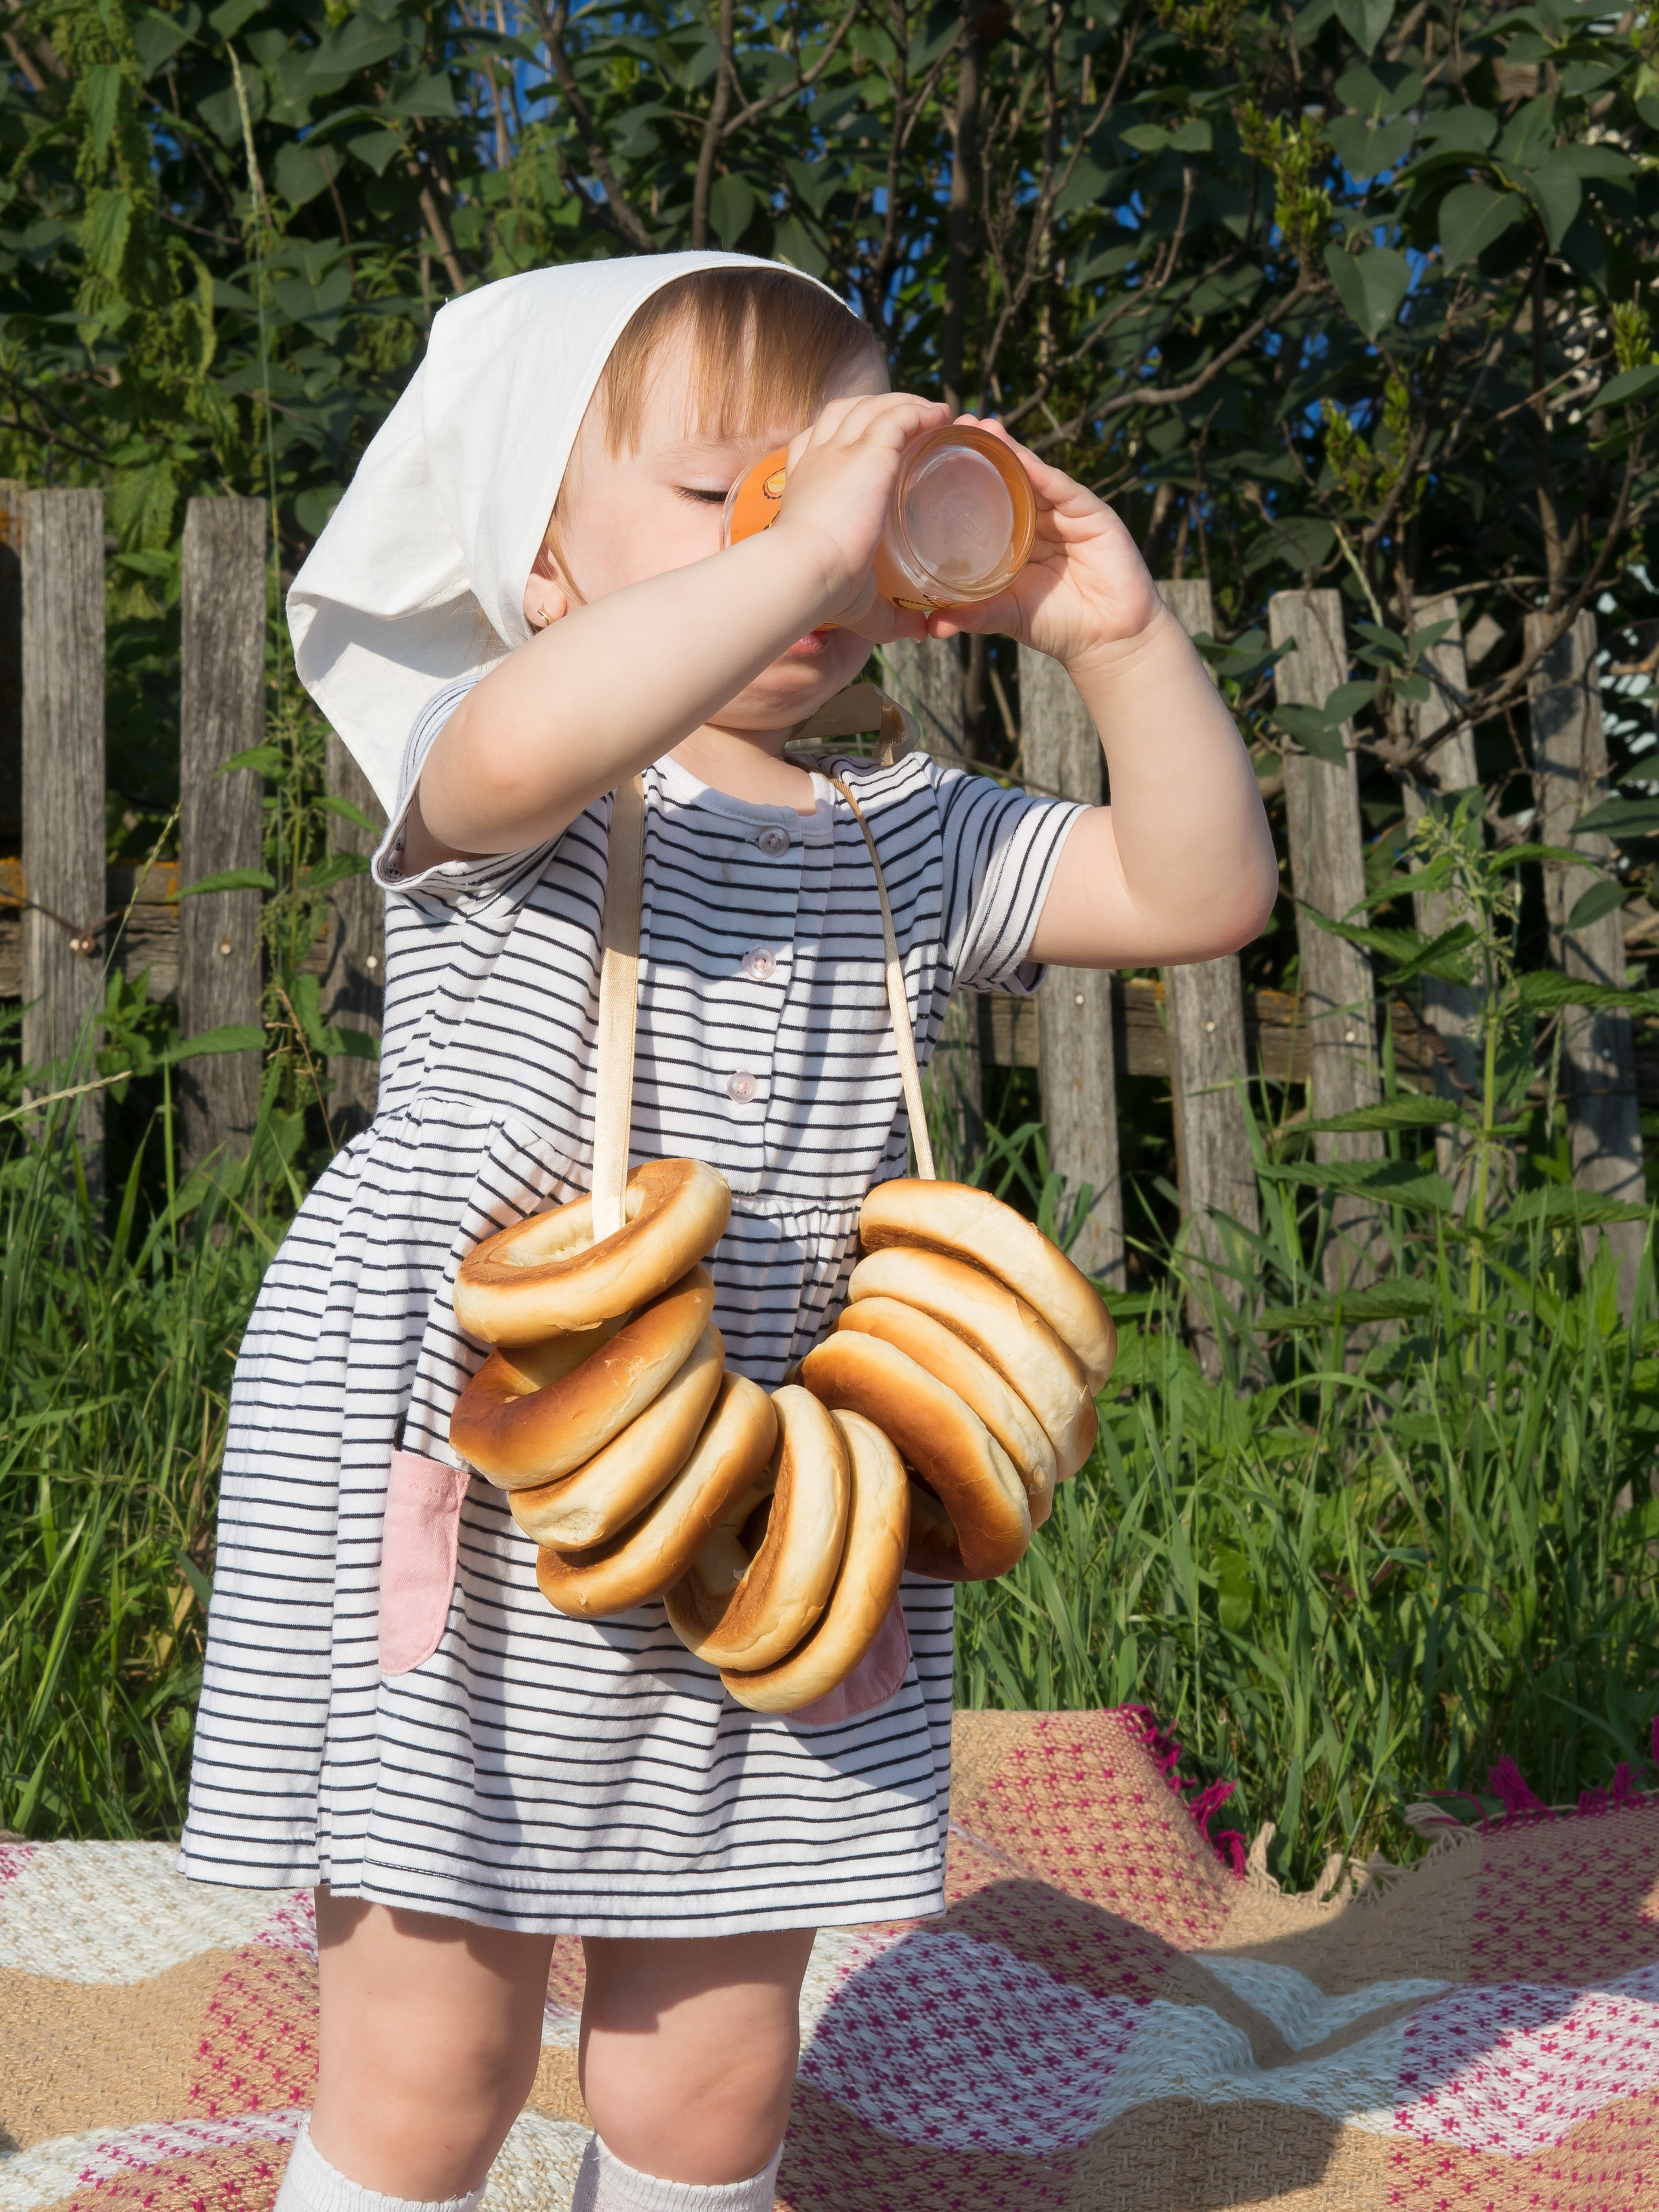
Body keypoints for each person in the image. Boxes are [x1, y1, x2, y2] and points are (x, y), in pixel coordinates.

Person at [180, 250, 1277, 2212]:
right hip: (493, 1444)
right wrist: (801, 544)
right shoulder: (513, 767)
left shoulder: (906, 830)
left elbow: (1198, 890)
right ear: (536, 561)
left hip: (774, 1480)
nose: (813, 549)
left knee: (711, 2074)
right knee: (437, 2052)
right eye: (723, 494)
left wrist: (1112, 633)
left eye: (846, 493)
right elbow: (528, 745)